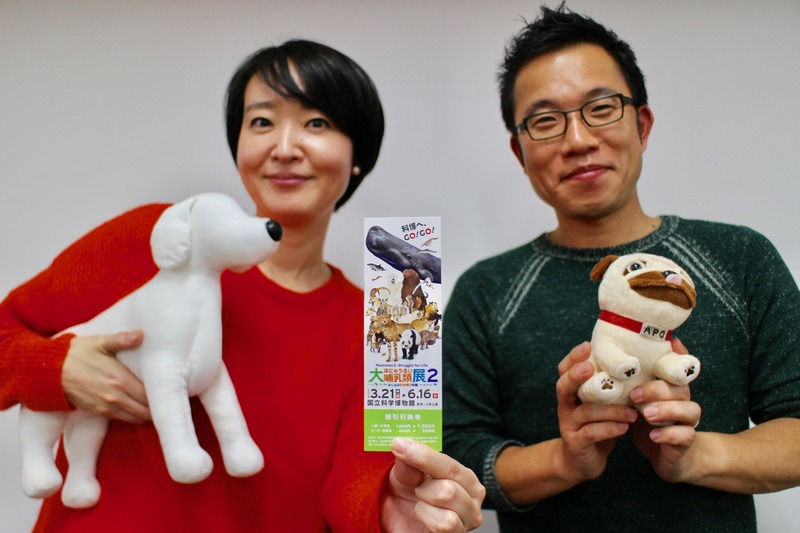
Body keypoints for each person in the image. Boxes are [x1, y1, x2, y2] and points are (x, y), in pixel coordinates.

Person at [0, 39, 484, 532]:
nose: (284, 148)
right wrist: (55, 368)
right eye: (262, 122)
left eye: (317, 123)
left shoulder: (395, 319)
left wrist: (391, 510)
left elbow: (363, 480)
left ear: (358, 153)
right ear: (238, 147)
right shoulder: (159, 240)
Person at [442, 5, 800, 532]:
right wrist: (566, 460)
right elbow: (454, 455)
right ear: (520, 152)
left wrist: (695, 457)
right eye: (546, 121)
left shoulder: (740, 257)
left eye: (601, 108)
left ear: (642, 124)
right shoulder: (485, 290)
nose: (578, 140)